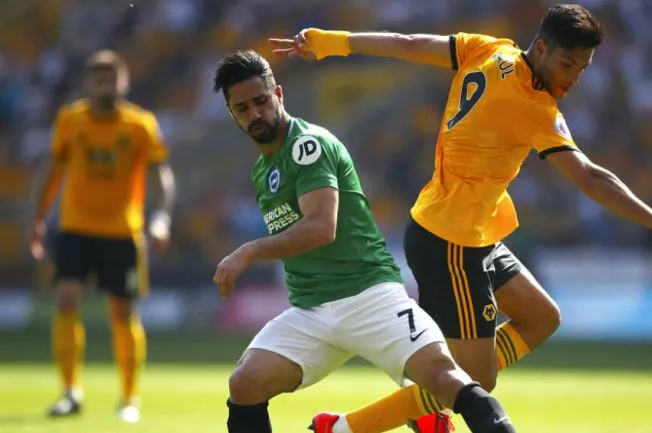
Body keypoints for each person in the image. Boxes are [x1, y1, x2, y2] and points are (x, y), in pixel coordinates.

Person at [269, 3, 652, 432]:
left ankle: (423, 403)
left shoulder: (490, 48)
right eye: (567, 64)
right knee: (476, 380)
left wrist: (336, 42)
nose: (573, 78)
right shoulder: (533, 107)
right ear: (541, 48)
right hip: (451, 242)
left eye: (582, 68)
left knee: (541, 317)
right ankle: (345, 428)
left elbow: (410, 43)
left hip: (467, 231)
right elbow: (590, 178)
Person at [211, 49, 519, 433]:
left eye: (261, 101)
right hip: (312, 310)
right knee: (245, 383)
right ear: (232, 113)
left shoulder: (307, 146)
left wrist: (249, 250)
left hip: (369, 298)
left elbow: (321, 227)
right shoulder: (263, 169)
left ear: (279, 95)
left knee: (445, 378)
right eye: (242, 108)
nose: (255, 114)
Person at [30, 50, 176, 423]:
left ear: (124, 82)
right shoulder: (70, 119)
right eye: (99, 80)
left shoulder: (140, 125)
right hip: (75, 228)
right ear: (88, 83)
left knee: (123, 311)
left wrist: (160, 217)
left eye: (112, 79)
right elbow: (52, 169)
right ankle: (70, 392)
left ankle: (129, 397)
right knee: (66, 299)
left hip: (122, 232)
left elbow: (161, 173)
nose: (106, 86)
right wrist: (38, 218)